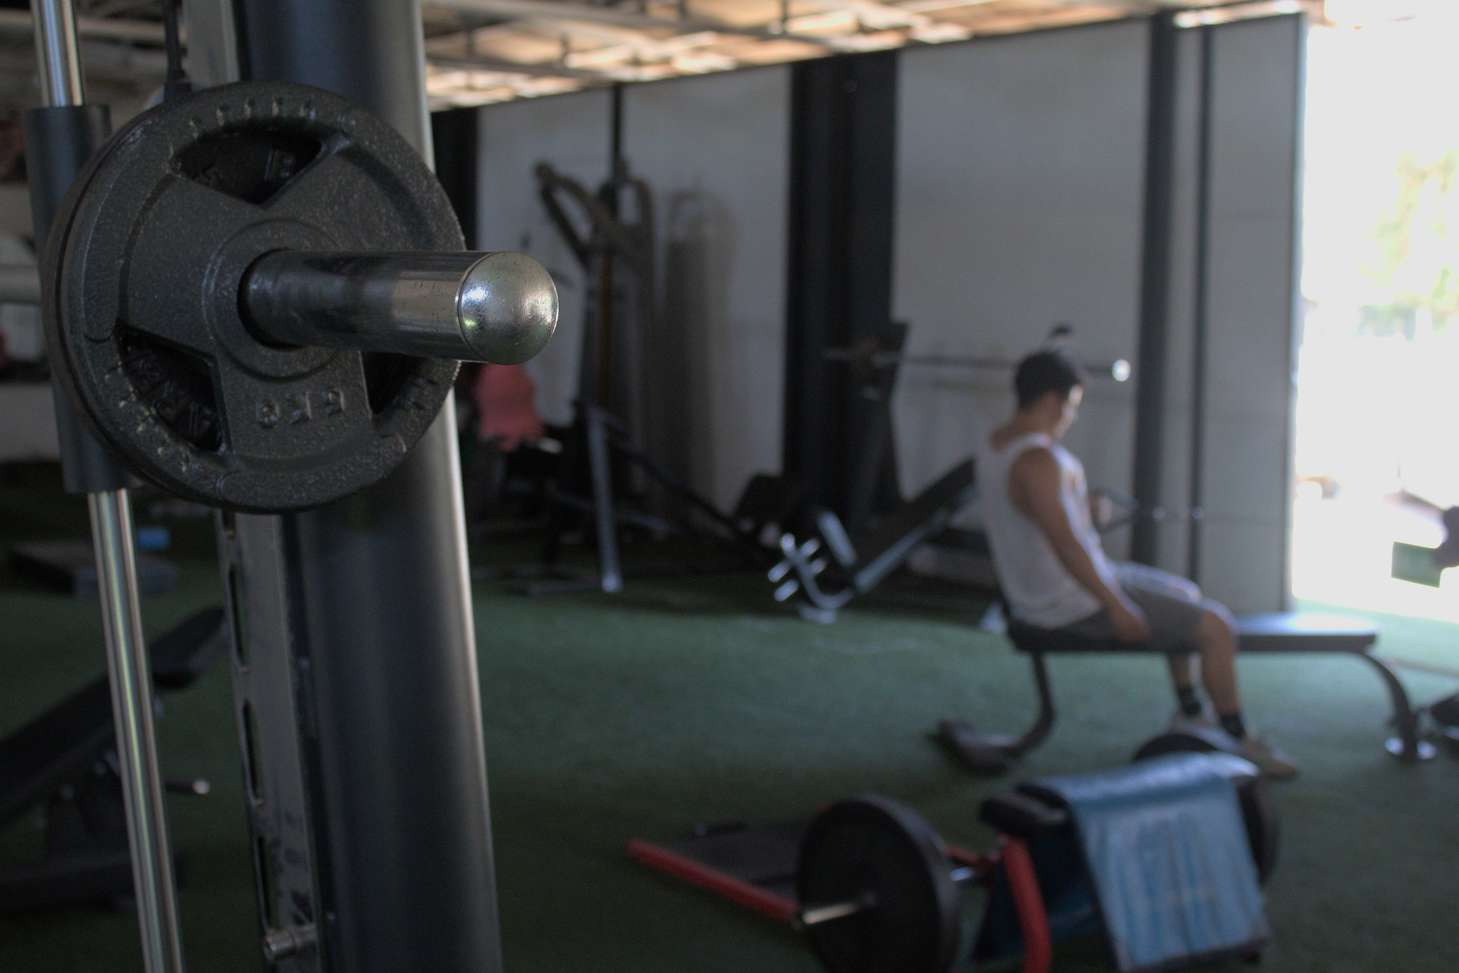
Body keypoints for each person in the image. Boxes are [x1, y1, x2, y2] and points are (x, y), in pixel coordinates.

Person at [977, 349, 1297, 778]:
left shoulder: (996, 443)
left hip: (1047, 591)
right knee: (1217, 627)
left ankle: (1189, 711)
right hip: (1069, 602)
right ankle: (1239, 739)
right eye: (1072, 406)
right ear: (1053, 400)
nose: (1071, 416)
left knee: (1184, 594)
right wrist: (1115, 605)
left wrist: (1081, 506)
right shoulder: (1039, 460)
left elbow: (1033, 512)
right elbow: (1068, 546)